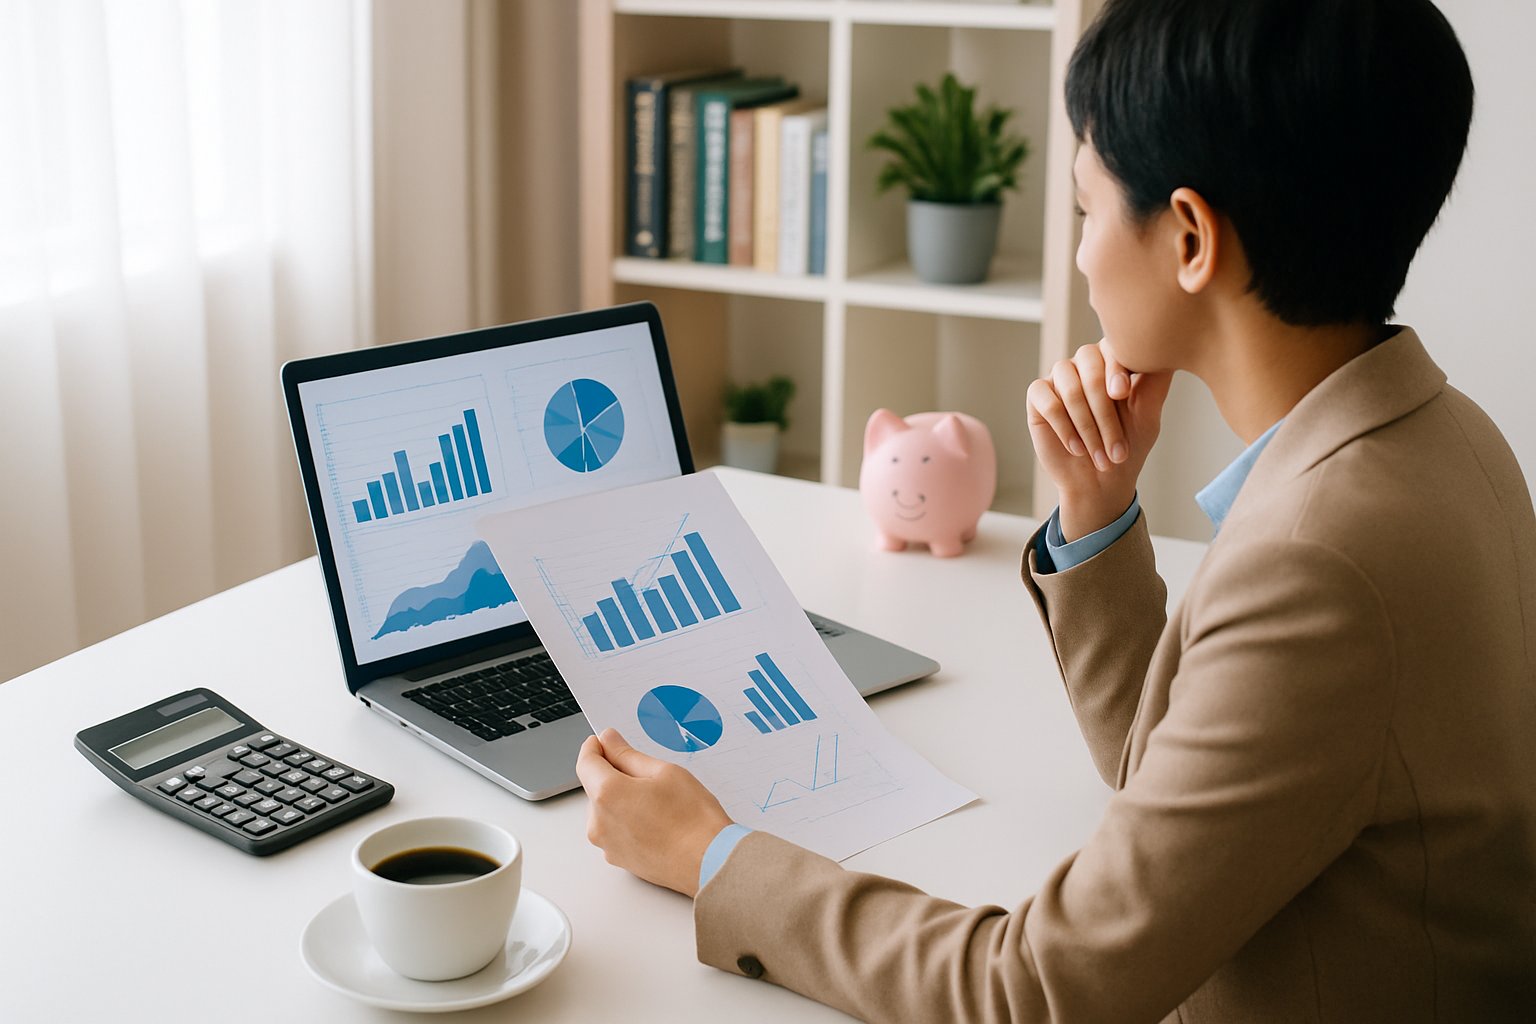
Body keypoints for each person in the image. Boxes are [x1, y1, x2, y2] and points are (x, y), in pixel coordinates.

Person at [573, 0, 1536, 1019]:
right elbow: (1178, 784)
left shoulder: (1318, 562)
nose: (1080, 257)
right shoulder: (1446, 435)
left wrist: (711, 855)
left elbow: (1038, 988)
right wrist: (1097, 509)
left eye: (1086, 209)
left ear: (1192, 237)